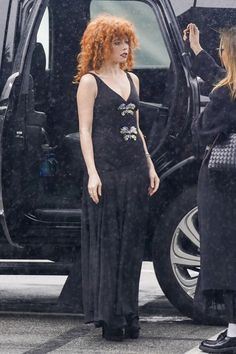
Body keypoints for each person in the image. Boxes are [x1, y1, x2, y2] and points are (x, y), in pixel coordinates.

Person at [72, 14, 159, 341]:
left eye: (126, 42)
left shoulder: (133, 80)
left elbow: (136, 128)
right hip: (106, 170)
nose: (124, 48)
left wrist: (150, 165)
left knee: (132, 244)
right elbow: (84, 130)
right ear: (101, 45)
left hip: (134, 168)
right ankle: (110, 317)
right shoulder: (90, 82)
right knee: (109, 243)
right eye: (117, 42)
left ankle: (128, 312)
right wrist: (92, 173)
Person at [184, 23, 236, 353]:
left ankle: (234, 333)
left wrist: (197, 118)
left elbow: (200, 132)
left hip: (223, 187)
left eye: (222, 50)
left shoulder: (226, 94)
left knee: (225, 258)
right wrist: (198, 51)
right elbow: (219, 75)